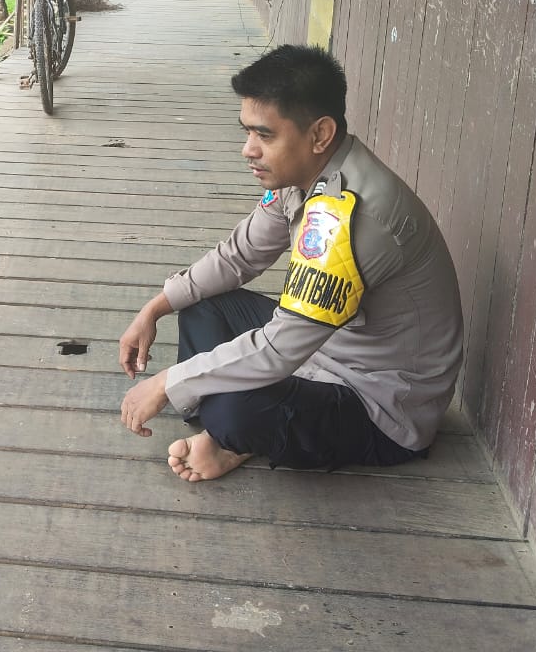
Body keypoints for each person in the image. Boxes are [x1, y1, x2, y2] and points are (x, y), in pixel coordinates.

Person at [118, 44, 464, 481]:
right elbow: (239, 255)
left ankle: (229, 439)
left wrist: (168, 381)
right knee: (201, 304)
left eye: (265, 135)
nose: (248, 150)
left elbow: (280, 349)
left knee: (230, 408)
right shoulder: (302, 178)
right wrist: (154, 309)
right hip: (318, 351)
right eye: (247, 132)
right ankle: (230, 436)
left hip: (379, 404)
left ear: (319, 134)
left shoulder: (351, 217)